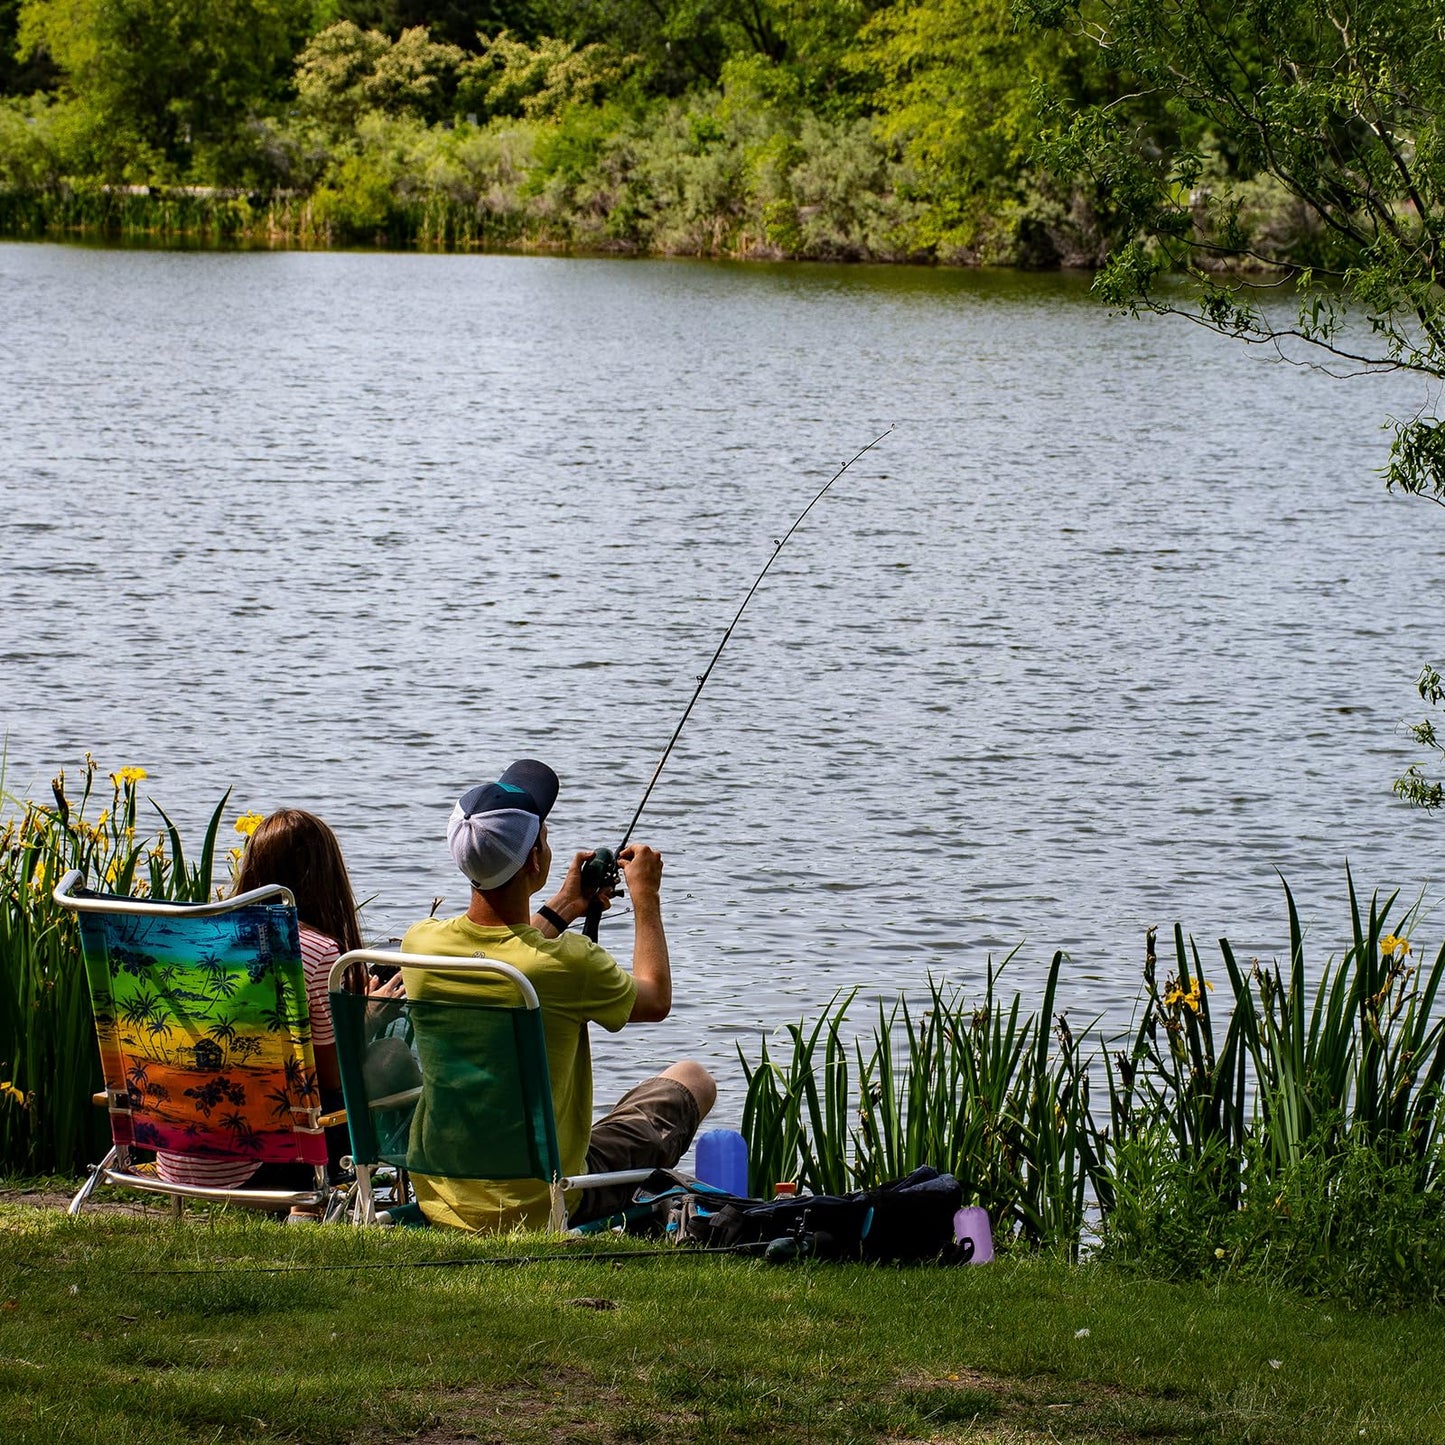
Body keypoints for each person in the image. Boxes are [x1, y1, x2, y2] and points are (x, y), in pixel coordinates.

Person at [401, 759, 716, 1231]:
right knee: (692, 1078)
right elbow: (654, 999)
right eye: (544, 836)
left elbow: (509, 955)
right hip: (541, 1200)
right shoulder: (569, 962)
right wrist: (646, 897)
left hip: (443, 1192)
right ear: (534, 862)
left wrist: (566, 905)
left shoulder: (421, 945)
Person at [155, 808, 403, 1203]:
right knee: (391, 1056)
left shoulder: (200, 943)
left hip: (179, 1156)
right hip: (264, 1165)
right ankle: (411, 1189)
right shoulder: (317, 952)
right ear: (327, 878)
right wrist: (369, 1022)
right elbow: (333, 1080)